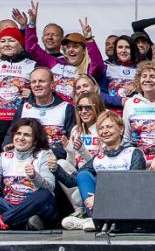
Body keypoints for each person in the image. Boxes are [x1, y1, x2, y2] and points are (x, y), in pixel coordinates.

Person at [0, 118, 56, 230]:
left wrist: (34, 176)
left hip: (34, 206)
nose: (21, 138)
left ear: (35, 140)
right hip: (10, 205)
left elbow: (50, 188)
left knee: (45, 194)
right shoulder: (4, 157)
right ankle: (21, 222)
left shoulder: (44, 155)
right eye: (18, 133)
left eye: (27, 135)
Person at [68, 111, 146, 231]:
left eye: (109, 127)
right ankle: (95, 219)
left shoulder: (134, 153)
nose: (104, 131)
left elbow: (133, 186)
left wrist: (100, 198)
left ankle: (93, 221)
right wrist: (55, 169)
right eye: (101, 128)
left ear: (121, 130)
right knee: (83, 175)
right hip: (102, 206)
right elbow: (73, 181)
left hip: (127, 206)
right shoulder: (99, 158)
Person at [0, 25, 36, 170]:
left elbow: (40, 91)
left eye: (11, 40)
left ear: (20, 43)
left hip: (19, 122)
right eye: (3, 41)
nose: (6, 44)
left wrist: (31, 94)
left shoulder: (31, 64)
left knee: (15, 163)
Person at [21, 5, 103, 103]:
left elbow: (98, 64)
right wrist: (32, 23)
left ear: (84, 50)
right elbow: (31, 49)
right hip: (53, 107)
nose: (71, 50)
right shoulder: (54, 62)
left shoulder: (87, 69)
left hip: (75, 109)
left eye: (75, 47)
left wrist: (89, 40)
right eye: (68, 47)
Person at [4, 66, 75, 157]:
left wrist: (49, 155)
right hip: (25, 157)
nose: (37, 85)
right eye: (34, 82)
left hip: (55, 158)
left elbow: (72, 140)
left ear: (52, 84)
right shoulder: (23, 108)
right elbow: (11, 134)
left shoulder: (67, 108)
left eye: (41, 81)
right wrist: (8, 144)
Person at [57, 92, 104, 221]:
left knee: (78, 195)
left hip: (95, 177)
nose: (83, 111)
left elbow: (100, 164)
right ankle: (79, 209)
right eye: (80, 108)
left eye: (88, 107)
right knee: (60, 164)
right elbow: (71, 164)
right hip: (78, 175)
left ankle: (83, 206)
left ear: (97, 107)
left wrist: (83, 151)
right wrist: (70, 151)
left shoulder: (103, 129)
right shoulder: (76, 130)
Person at [122, 61, 155, 164]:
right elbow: (126, 138)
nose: (147, 79)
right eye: (144, 76)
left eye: (152, 76)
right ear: (139, 80)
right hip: (136, 162)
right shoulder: (130, 103)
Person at [100, 34, 139, 112]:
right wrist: (119, 101)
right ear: (116, 50)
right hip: (112, 113)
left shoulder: (141, 69)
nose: (123, 51)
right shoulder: (107, 67)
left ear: (133, 49)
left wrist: (138, 88)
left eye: (127, 47)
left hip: (134, 111)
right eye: (120, 47)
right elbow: (100, 94)